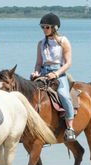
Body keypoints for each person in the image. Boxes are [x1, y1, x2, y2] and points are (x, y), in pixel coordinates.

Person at [30, 12, 76, 141]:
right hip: (44, 73)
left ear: (54, 28)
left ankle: (70, 128)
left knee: (64, 95)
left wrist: (56, 73)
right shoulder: (41, 43)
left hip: (58, 73)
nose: (44, 29)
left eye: (47, 27)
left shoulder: (63, 41)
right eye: (42, 27)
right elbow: (38, 63)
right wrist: (36, 72)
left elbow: (68, 63)